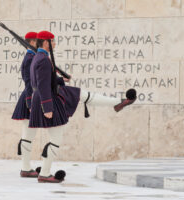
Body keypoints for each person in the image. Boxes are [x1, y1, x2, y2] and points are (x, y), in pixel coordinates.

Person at [29, 31, 137, 183]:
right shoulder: (43, 60)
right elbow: (42, 85)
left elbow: (45, 81)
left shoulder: (39, 58)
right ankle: (45, 174)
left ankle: (118, 102)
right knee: (55, 139)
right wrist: (47, 108)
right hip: (47, 101)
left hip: (46, 98)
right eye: (53, 41)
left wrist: (60, 79)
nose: (55, 44)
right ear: (46, 43)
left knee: (81, 95)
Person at [12, 32, 39, 178]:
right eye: (38, 41)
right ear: (33, 42)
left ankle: (26, 167)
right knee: (28, 134)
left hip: (32, 97)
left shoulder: (32, 56)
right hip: (30, 98)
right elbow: (28, 81)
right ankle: (25, 168)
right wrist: (30, 102)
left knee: (29, 134)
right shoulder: (30, 58)